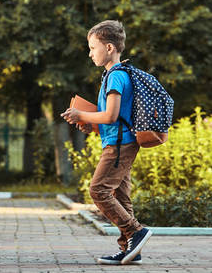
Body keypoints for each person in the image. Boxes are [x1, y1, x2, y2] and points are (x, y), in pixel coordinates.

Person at [61, 20, 152, 265]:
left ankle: (136, 231)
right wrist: (89, 123)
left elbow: (111, 116)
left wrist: (82, 115)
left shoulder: (116, 77)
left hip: (120, 145)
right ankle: (130, 250)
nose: (90, 53)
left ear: (109, 47)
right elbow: (110, 118)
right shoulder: (114, 75)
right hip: (119, 140)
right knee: (121, 198)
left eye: (93, 47)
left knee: (98, 190)